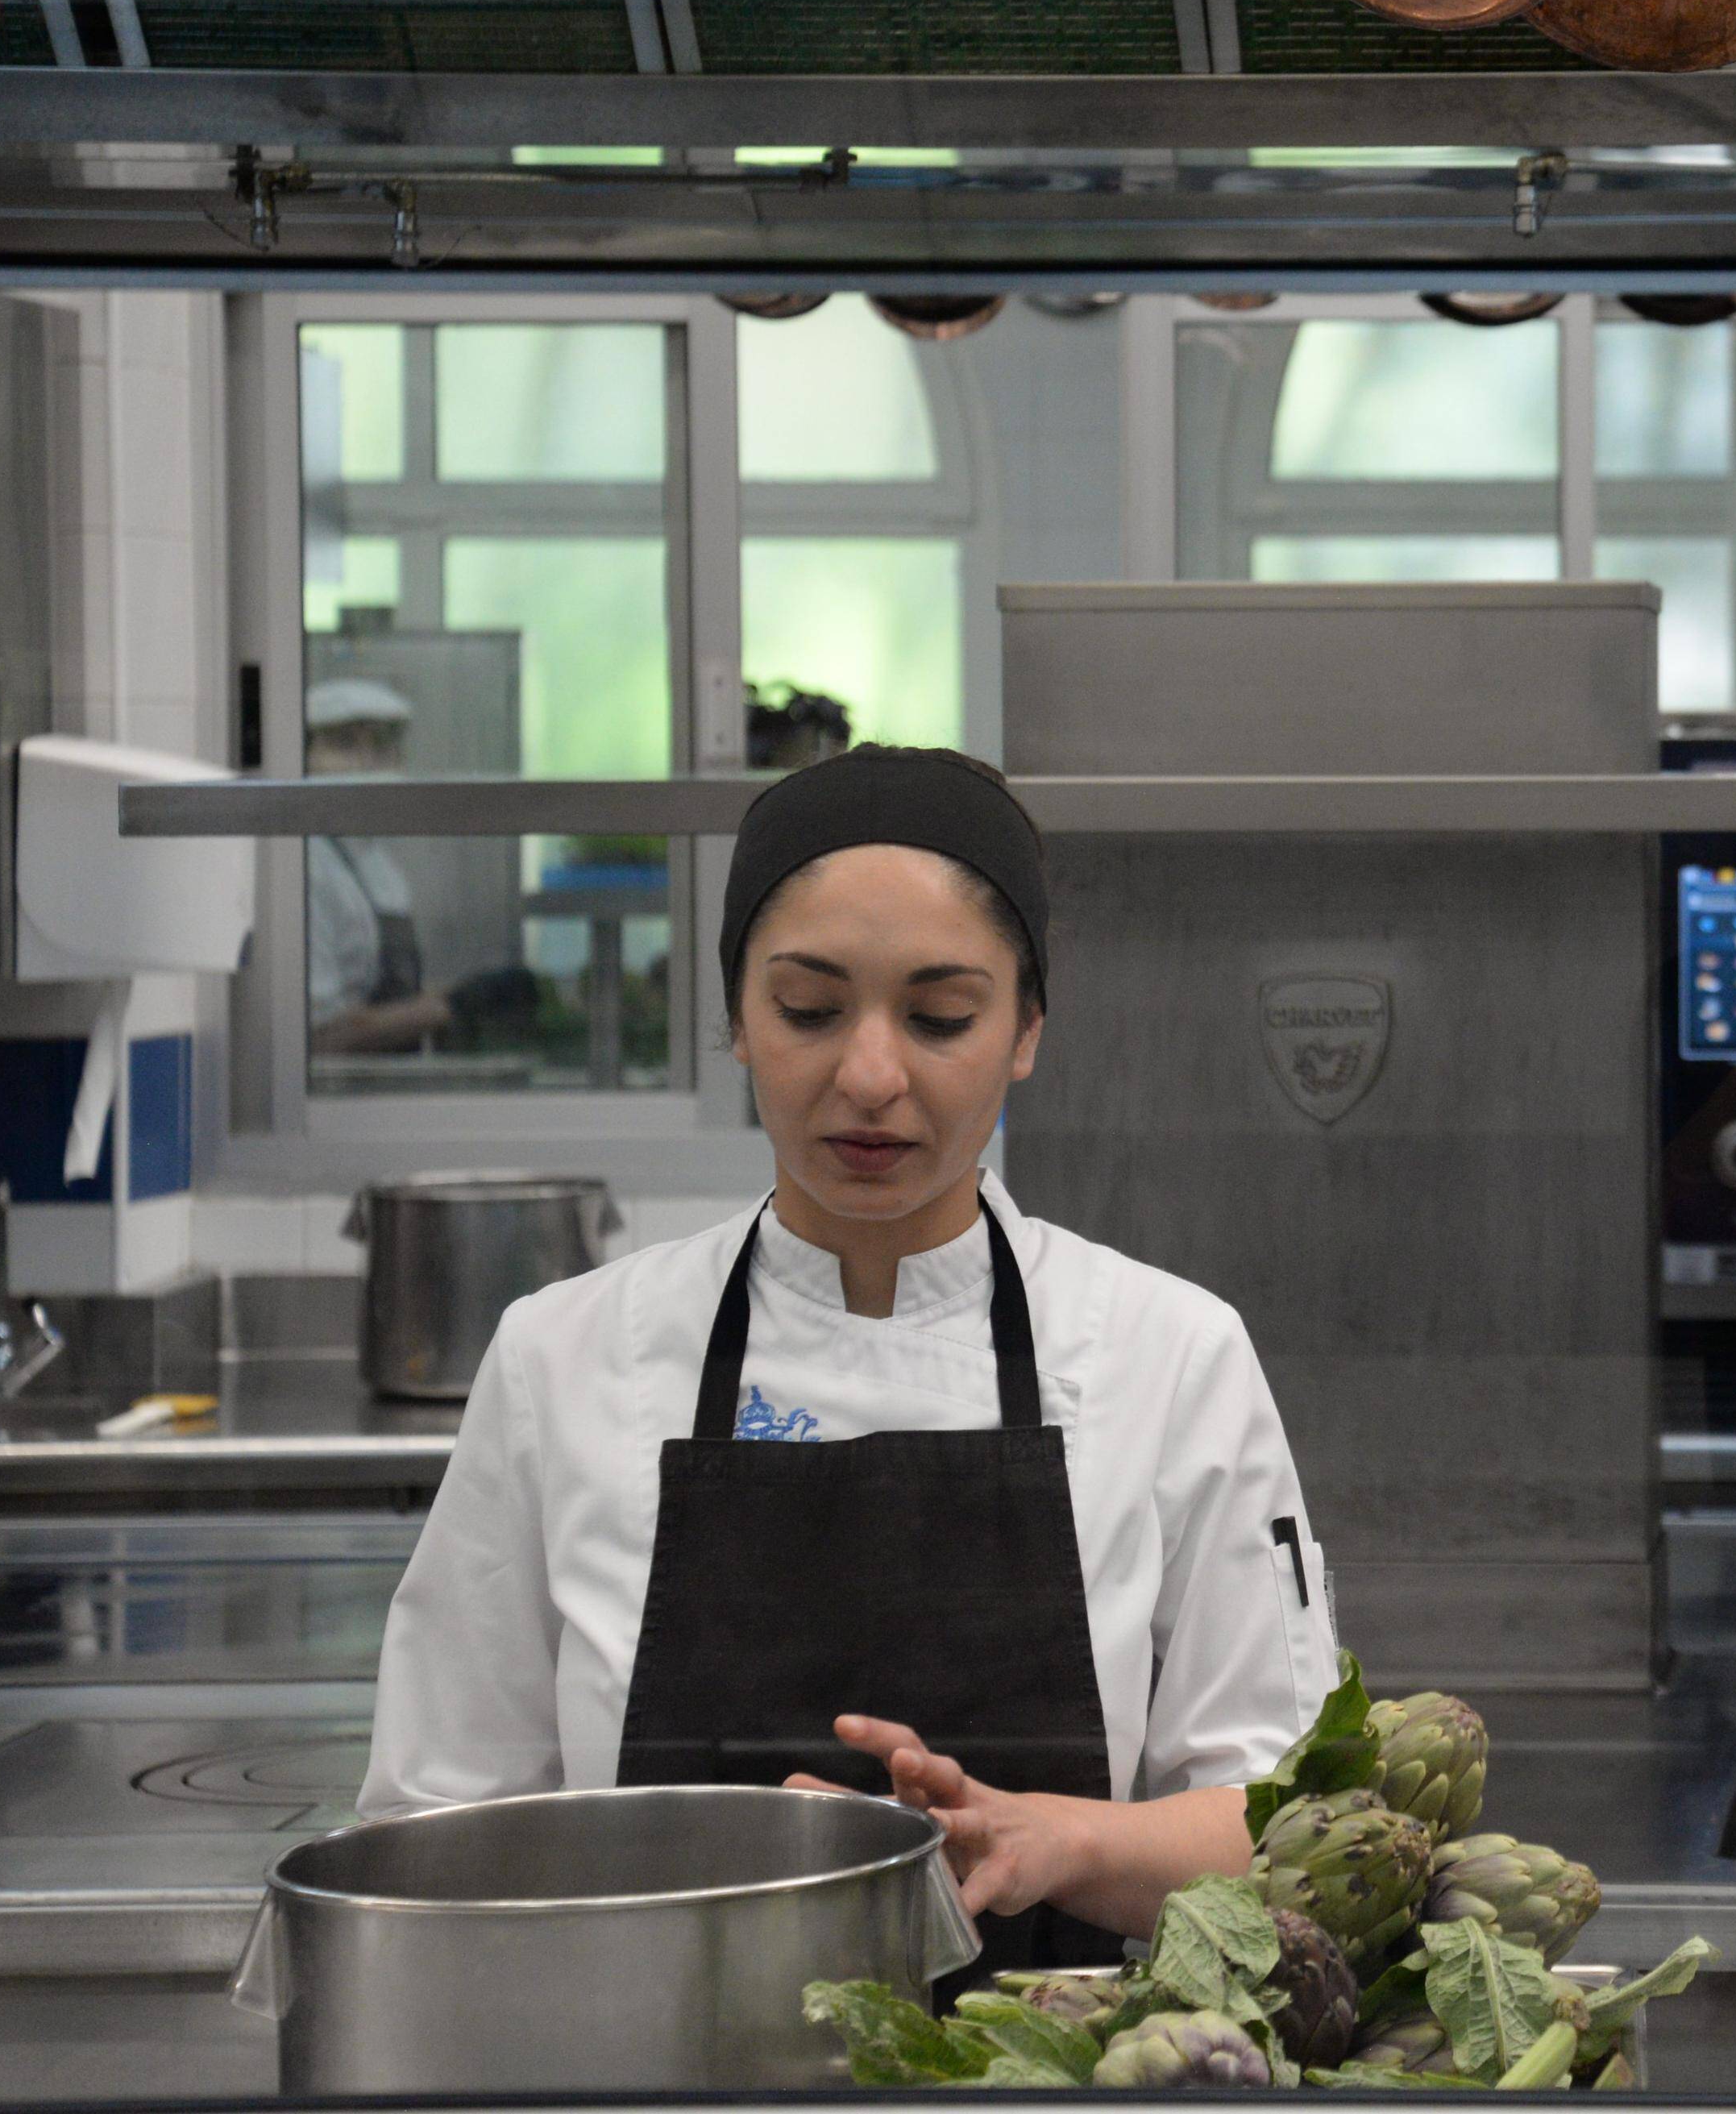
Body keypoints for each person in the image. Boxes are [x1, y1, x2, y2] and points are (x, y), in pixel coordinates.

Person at [363, 746, 1342, 1965]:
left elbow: (1290, 1834)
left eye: (941, 1017)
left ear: (1028, 1029)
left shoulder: (1171, 1355)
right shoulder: (562, 1359)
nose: (870, 1076)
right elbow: (439, 1829)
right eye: (809, 1009)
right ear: (734, 1018)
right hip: (649, 2090)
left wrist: (1051, 1841)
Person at [303, 678, 451, 1056]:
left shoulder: (375, 860)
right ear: (305, 757)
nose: (368, 761)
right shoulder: (306, 865)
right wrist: (439, 1011)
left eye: (382, 746)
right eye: (345, 745)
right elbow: (319, 1034)